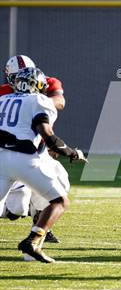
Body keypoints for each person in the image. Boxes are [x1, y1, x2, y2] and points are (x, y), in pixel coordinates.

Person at [0, 67, 86, 263]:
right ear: (38, 86)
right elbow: (47, 135)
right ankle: (33, 241)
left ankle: (32, 245)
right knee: (59, 201)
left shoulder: (2, 100)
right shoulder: (39, 100)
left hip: (1, 158)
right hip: (25, 159)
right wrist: (72, 152)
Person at [0, 55, 67, 244]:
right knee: (16, 208)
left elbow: (59, 101)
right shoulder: (4, 93)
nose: (21, 80)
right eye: (17, 77)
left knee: (60, 182)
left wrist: (33, 98)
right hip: (11, 150)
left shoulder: (45, 84)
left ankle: (41, 229)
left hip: (38, 148)